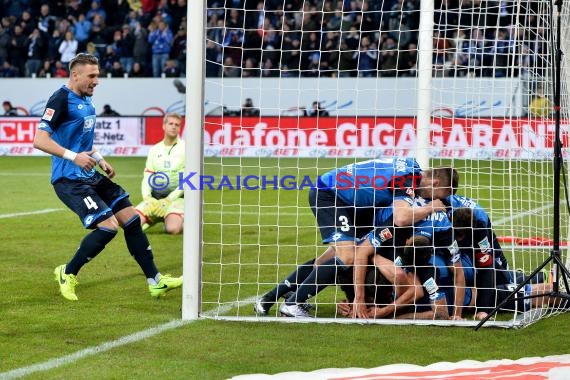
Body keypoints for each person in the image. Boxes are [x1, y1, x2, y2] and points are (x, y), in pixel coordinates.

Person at [32, 53, 182, 301]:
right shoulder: (60, 98)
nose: (97, 81)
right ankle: (67, 273)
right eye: (92, 76)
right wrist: (73, 157)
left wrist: (100, 159)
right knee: (108, 227)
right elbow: (39, 140)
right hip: (69, 180)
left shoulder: (88, 101)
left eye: (98, 75)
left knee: (132, 219)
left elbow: (85, 143)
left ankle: (155, 281)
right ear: (75, 75)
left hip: (89, 174)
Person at [135, 113, 184, 234]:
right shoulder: (154, 149)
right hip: (155, 199)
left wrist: (168, 199)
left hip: (177, 199)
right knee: (130, 224)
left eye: (177, 125)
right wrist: (147, 198)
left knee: (172, 229)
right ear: (164, 126)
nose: (173, 127)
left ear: (180, 128)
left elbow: (188, 181)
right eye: (170, 124)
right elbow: (148, 176)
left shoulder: (186, 148)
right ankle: (155, 216)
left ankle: (180, 219)